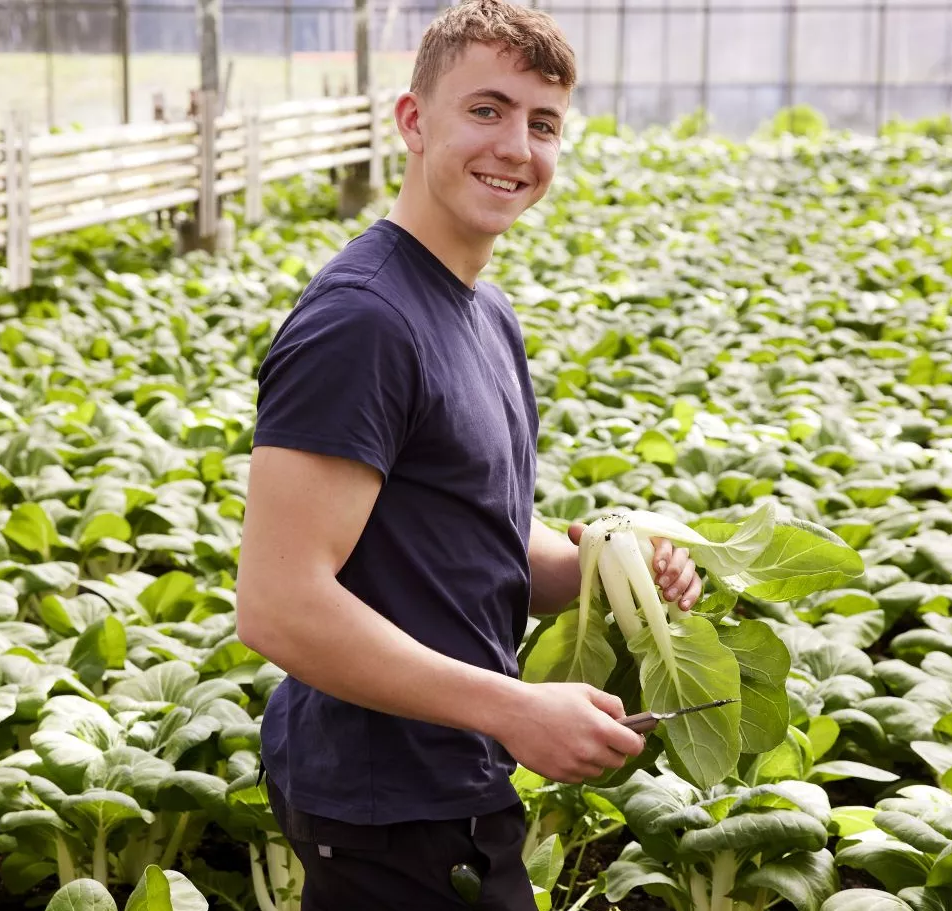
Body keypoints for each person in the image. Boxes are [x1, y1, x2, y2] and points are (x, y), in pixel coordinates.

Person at [234, 1, 706, 907]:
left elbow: (473, 542)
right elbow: (279, 606)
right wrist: (516, 707)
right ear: (414, 122)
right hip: (380, 803)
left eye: (542, 124)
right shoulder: (362, 322)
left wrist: (606, 570)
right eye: (485, 110)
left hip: (452, 777)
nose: (515, 148)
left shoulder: (484, 312)